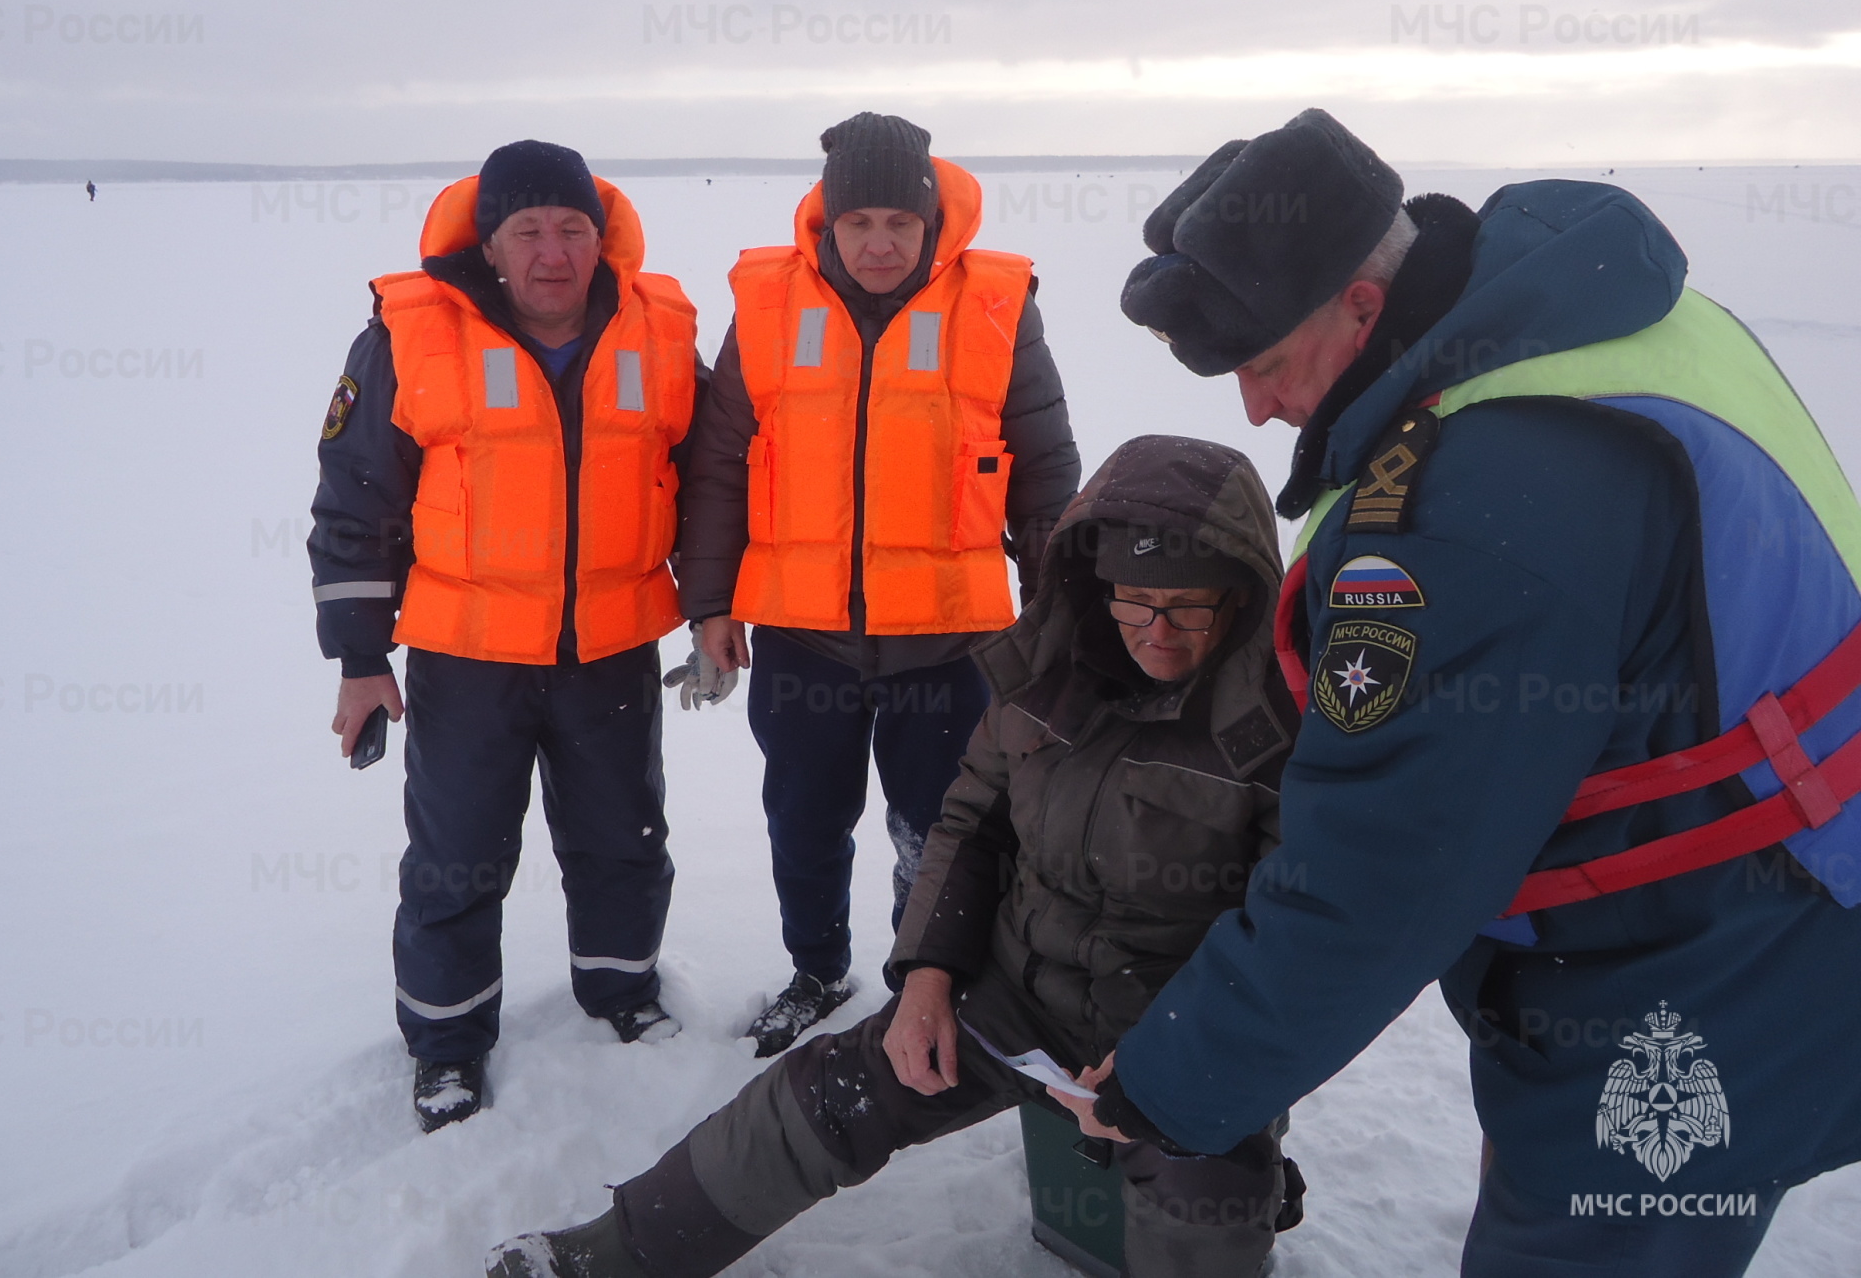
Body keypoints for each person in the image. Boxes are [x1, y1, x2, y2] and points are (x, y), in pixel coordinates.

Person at [1103, 108, 1861, 1276]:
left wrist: (1169, 1085)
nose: (1253, 411)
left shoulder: (1457, 515)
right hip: (1793, 874)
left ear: (1362, 303)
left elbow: (1377, 875)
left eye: (1261, 364)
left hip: (1708, 961)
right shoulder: (1603, 315)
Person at [489, 435, 1305, 1278]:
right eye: (1135, 601)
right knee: (821, 1096)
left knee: (1208, 1207)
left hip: (1178, 1034)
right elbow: (970, 824)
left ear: (1241, 596)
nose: (1157, 634)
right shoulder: (1047, 677)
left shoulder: (1284, 732)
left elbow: (1295, 936)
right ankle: (617, 1252)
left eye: (1188, 606)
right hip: (1017, 1002)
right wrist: (926, 978)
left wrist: (1174, 1068)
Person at [308, 141, 703, 1132]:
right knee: (455, 862)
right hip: (465, 661)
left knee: (622, 839)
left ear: (598, 238)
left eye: (572, 229)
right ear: (490, 245)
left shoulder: (657, 334)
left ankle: (621, 992)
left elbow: (717, 480)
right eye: (527, 230)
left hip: (610, 649)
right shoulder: (409, 336)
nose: (553, 251)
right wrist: (360, 660)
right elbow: (355, 503)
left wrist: (716, 606)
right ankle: (446, 1046)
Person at [675, 112, 1079, 1053]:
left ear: (933, 222)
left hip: (946, 642)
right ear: (828, 222)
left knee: (940, 831)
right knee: (804, 823)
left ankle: (925, 979)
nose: (881, 242)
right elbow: (723, 462)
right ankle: (816, 969)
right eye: (861, 222)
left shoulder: (995, 305)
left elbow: (1046, 465)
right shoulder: (771, 308)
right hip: (800, 637)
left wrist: (1061, 604)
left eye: (902, 221)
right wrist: (709, 607)